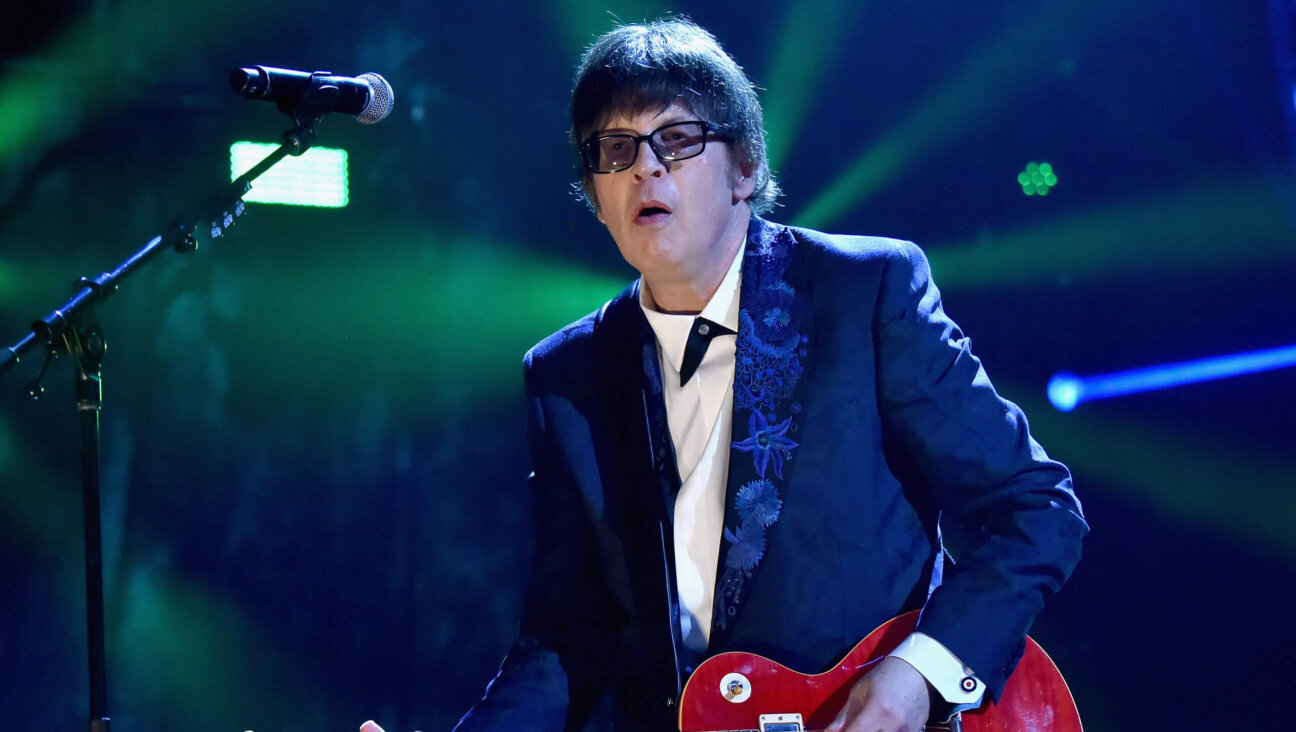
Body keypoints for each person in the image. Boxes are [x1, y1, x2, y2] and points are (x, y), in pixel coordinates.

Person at [369, 16, 1087, 732]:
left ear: (745, 168)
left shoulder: (862, 294)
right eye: (615, 149)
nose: (645, 168)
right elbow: (565, 640)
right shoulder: (569, 377)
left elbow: (1038, 508)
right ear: (594, 195)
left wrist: (920, 673)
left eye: (677, 141)